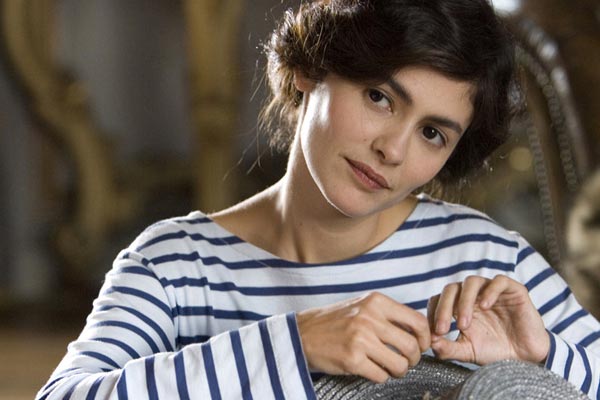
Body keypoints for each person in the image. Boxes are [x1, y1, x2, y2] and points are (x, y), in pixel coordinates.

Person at [37, 0, 600, 399]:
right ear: (311, 69)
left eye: (432, 133)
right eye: (379, 97)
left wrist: (544, 358)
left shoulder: (487, 256)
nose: (392, 150)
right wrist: (294, 343)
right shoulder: (175, 264)